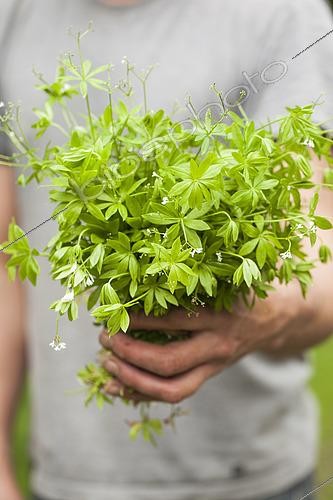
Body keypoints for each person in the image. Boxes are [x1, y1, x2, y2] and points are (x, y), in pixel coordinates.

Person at [1, 1, 333, 499]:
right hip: (66, 479)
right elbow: (8, 256)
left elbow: (316, 257)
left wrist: (255, 317)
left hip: (250, 481)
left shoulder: (282, 11)